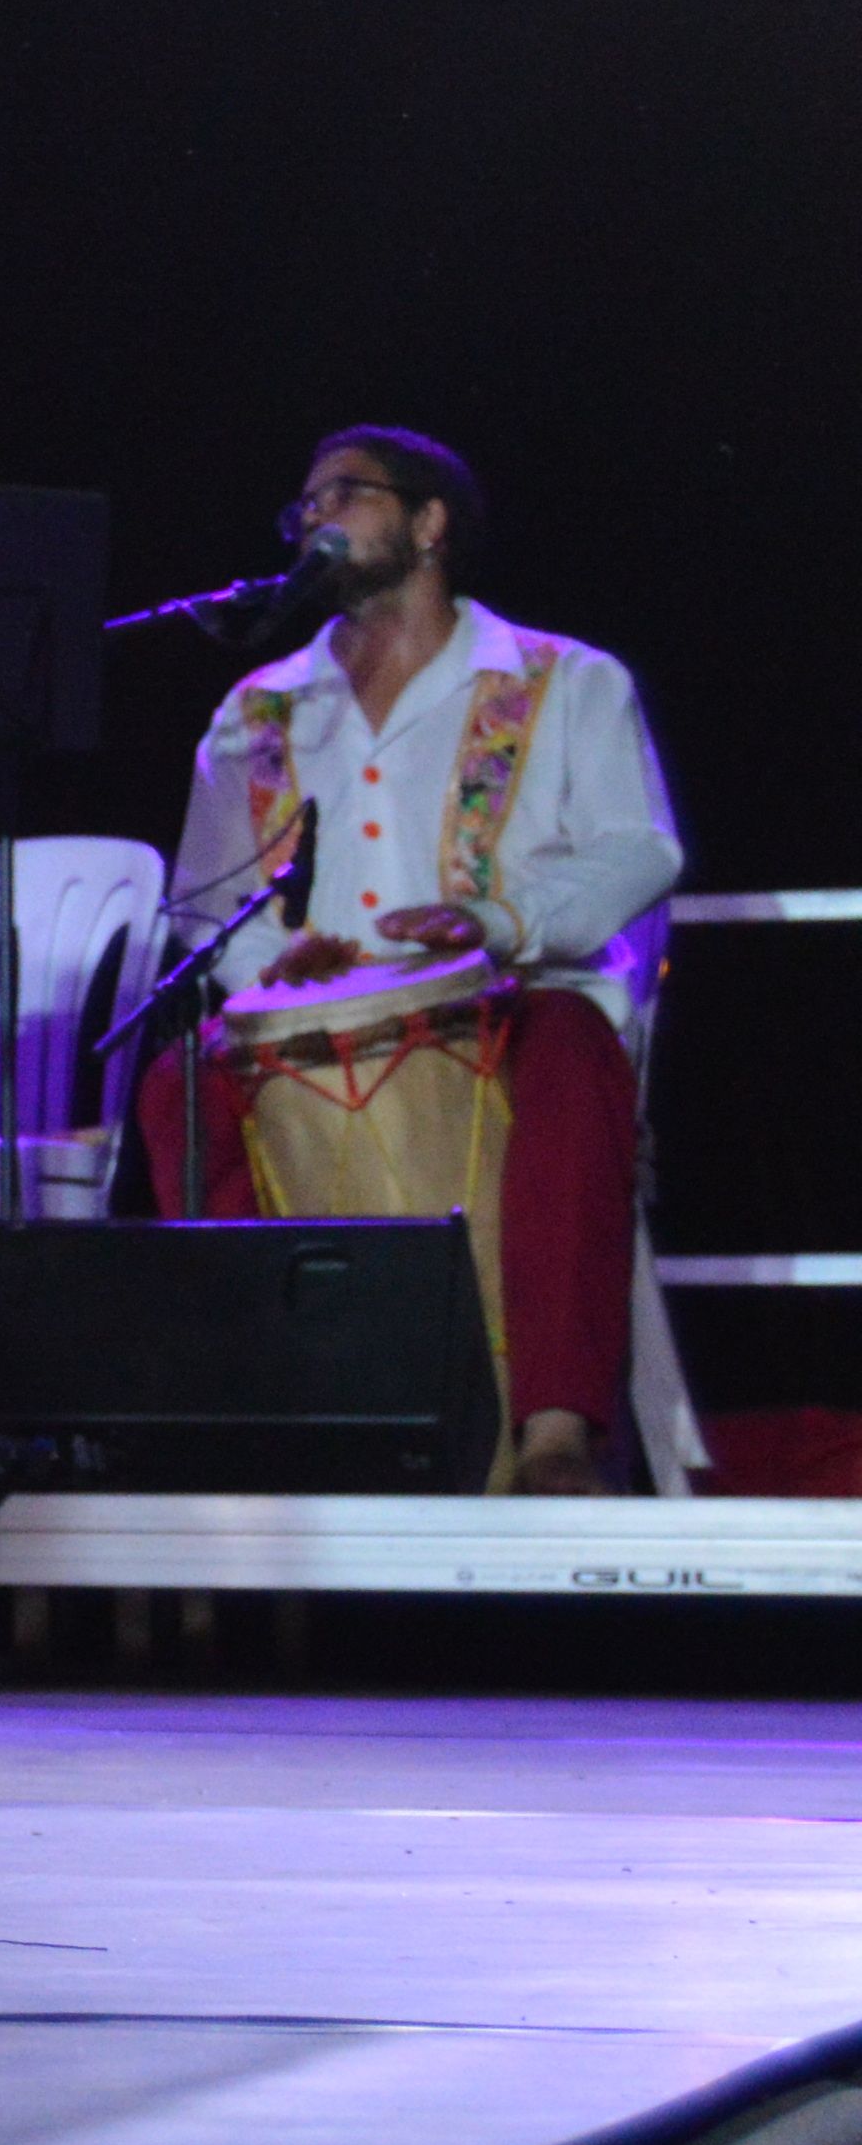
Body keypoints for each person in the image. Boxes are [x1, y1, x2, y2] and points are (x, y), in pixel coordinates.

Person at [147, 429, 684, 1494]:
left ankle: (555, 1433)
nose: (315, 517)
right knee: (177, 1088)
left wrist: (498, 919)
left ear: (430, 523)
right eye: (302, 505)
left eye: (344, 494)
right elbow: (202, 898)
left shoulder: (563, 680)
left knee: (574, 1055)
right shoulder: (259, 707)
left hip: (510, 1000)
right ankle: (249, 1425)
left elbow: (640, 848)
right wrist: (276, 955)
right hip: (312, 1025)